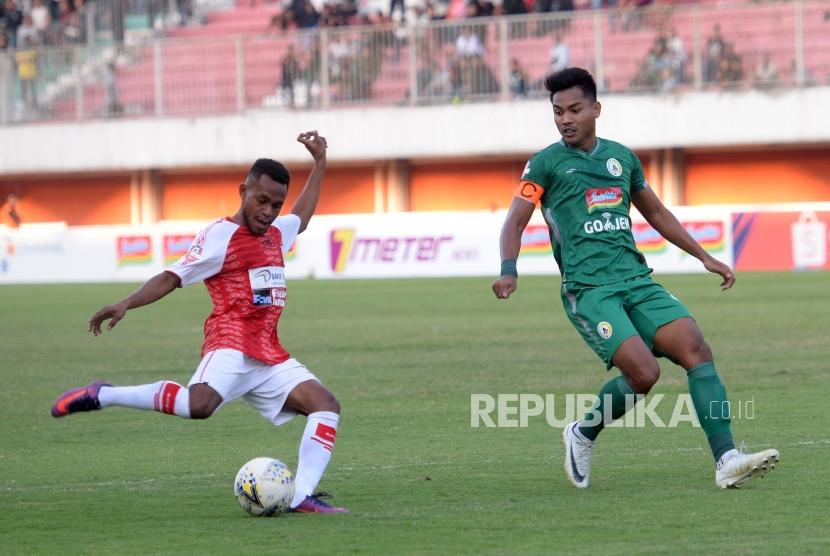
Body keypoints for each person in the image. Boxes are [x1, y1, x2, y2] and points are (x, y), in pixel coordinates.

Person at [491, 68, 779, 490]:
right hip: (589, 289)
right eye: (557, 112)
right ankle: (582, 433)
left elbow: (657, 214)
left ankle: (727, 459)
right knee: (644, 375)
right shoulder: (545, 164)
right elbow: (516, 220)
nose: (565, 119)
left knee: (697, 350)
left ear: (595, 109)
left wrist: (704, 257)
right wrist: (508, 270)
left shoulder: (622, 159)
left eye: (574, 109)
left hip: (637, 281)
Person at [51, 131, 348, 513]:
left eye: (275, 204)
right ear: (243, 190)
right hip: (230, 342)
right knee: (200, 405)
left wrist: (320, 164)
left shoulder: (276, 233)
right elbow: (172, 277)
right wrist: (126, 303)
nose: (268, 211)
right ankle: (102, 394)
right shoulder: (220, 236)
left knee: (325, 405)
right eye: (261, 201)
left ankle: (301, 496)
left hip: (268, 352)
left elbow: (301, 217)